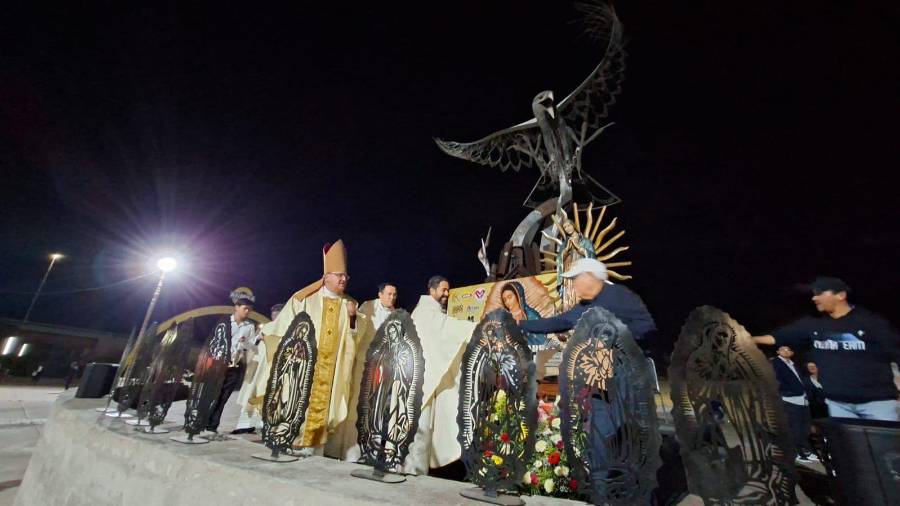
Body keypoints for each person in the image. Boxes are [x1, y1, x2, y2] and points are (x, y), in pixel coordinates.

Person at [264, 240, 375, 457]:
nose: (344, 279)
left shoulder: (349, 304)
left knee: (325, 409)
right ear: (326, 277)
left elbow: (356, 338)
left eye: (346, 276)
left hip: (331, 372)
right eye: (339, 275)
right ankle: (287, 442)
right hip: (302, 369)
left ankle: (314, 449)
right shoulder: (304, 300)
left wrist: (353, 319)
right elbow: (283, 327)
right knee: (295, 401)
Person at [753, 277, 900, 421]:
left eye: (819, 293)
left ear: (841, 295)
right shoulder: (814, 324)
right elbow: (776, 338)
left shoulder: (871, 323)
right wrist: (746, 339)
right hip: (837, 404)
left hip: (878, 403)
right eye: (814, 294)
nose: (814, 298)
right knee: (848, 446)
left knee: (885, 445)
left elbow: (896, 353)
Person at [401, 275, 477, 475]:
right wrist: (475, 327)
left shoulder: (432, 312)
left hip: (428, 378)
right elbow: (446, 328)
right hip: (421, 381)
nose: (446, 294)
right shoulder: (426, 313)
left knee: (425, 430)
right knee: (420, 428)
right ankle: (412, 472)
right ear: (432, 290)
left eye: (448, 290)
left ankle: (418, 470)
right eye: (443, 290)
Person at [518, 258, 657, 340]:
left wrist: (614, 335)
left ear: (590, 276)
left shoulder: (619, 295)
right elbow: (558, 322)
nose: (573, 284)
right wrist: (521, 324)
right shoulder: (583, 306)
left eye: (575, 278)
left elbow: (646, 325)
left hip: (629, 371)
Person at [205, 288, 258, 435]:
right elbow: (213, 341)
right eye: (245, 309)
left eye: (250, 310)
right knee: (210, 394)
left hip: (234, 366)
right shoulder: (225, 322)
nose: (247, 312)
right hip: (218, 365)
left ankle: (212, 425)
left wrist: (245, 343)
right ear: (236, 307)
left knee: (223, 397)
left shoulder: (250, 327)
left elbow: (251, 346)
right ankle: (201, 420)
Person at [770, 346, 816, 462]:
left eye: (788, 350)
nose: (786, 351)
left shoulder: (794, 364)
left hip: (802, 399)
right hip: (790, 399)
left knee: (805, 427)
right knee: (795, 428)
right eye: (783, 349)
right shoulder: (775, 363)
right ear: (778, 352)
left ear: (792, 352)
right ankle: (796, 453)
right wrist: (785, 392)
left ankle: (806, 450)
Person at [499, 281, 547, 352]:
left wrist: (521, 339)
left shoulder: (531, 315)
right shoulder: (505, 319)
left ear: (518, 295)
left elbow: (541, 338)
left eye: (509, 297)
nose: (507, 302)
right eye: (504, 300)